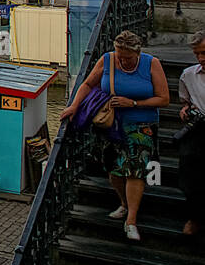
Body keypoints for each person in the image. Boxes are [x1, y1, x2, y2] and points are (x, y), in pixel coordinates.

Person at [59, 30, 169, 241]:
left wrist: (134, 103)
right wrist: (74, 106)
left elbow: (164, 99)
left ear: (137, 53)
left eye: (127, 57)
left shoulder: (150, 63)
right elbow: (88, 84)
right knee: (114, 170)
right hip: (112, 124)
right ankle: (125, 204)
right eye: (120, 55)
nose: (122, 60)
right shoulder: (108, 60)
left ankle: (131, 221)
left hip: (141, 125)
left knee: (135, 171)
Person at [177, 30, 205, 236]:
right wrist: (185, 110)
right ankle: (194, 218)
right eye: (197, 54)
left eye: (204, 53)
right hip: (198, 130)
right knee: (190, 173)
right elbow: (185, 101)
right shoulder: (188, 75)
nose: (201, 58)